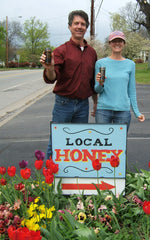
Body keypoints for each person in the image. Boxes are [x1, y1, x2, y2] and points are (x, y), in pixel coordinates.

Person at [40, 10, 97, 159]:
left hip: (83, 105)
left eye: (83, 24)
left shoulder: (92, 53)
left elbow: (92, 82)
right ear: (69, 27)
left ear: (87, 28)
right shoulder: (61, 51)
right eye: (76, 23)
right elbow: (51, 78)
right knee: (57, 142)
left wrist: (95, 103)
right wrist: (50, 68)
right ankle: (49, 180)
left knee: (78, 144)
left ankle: (73, 179)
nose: (79, 26)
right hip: (63, 104)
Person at [94, 31, 145, 130]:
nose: (117, 43)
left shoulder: (130, 64)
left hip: (123, 112)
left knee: (119, 144)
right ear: (109, 44)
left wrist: (137, 112)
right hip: (103, 111)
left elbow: (131, 90)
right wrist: (100, 83)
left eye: (120, 41)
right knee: (102, 144)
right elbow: (97, 90)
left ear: (124, 44)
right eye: (114, 41)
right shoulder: (100, 63)